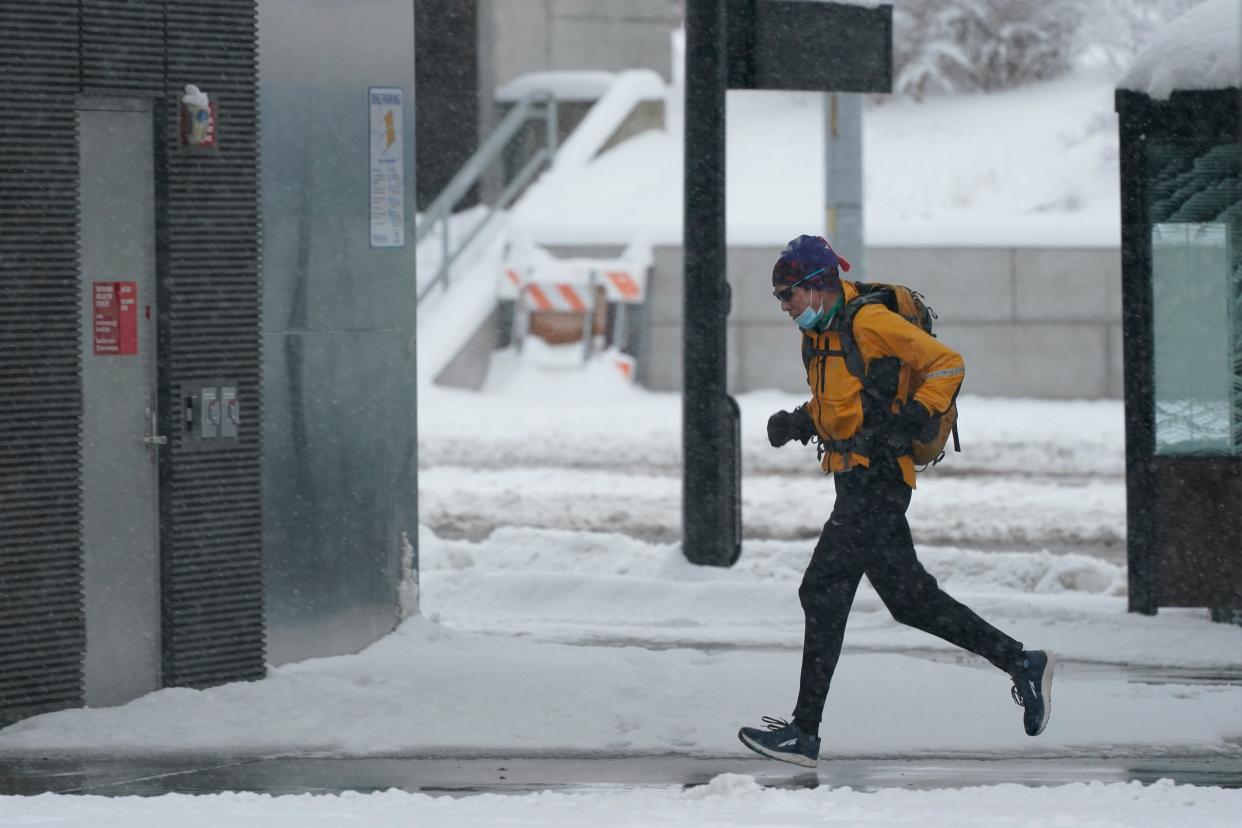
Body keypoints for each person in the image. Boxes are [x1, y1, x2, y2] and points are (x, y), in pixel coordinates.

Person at [737, 235, 1054, 769]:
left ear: (817, 287)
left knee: (822, 589)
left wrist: (916, 417)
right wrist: (799, 421)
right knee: (910, 601)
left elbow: (948, 364)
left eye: (787, 296)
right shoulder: (819, 336)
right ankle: (1022, 662)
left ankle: (804, 732)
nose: (784, 308)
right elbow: (840, 407)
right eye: (779, 299)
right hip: (854, 477)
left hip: (880, 478)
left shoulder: (869, 322)